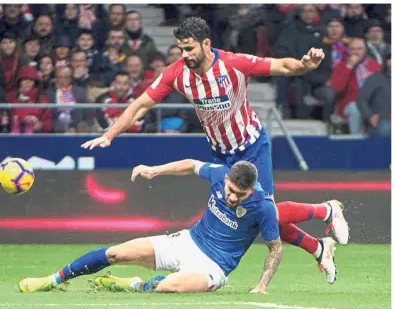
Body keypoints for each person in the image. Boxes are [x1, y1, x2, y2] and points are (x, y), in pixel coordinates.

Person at [80, 17, 349, 280]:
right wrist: (110, 134)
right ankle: (319, 247)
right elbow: (140, 104)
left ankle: (326, 210)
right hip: (222, 154)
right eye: (181, 49)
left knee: (267, 211)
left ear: (206, 44)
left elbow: (283, 66)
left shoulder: (234, 64)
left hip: (252, 147)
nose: (184, 55)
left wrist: (304, 64)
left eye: (189, 48)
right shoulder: (176, 74)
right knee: (256, 218)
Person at [19, 160, 283, 293]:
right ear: (226, 178)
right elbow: (191, 164)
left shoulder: (264, 206)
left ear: (251, 190)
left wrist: (262, 284)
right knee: (116, 253)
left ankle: (132, 284)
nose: (232, 197)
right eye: (230, 190)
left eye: (240, 194)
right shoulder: (217, 173)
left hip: (214, 267)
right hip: (187, 241)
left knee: (171, 286)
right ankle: (53, 280)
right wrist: (155, 169)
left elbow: (275, 248)